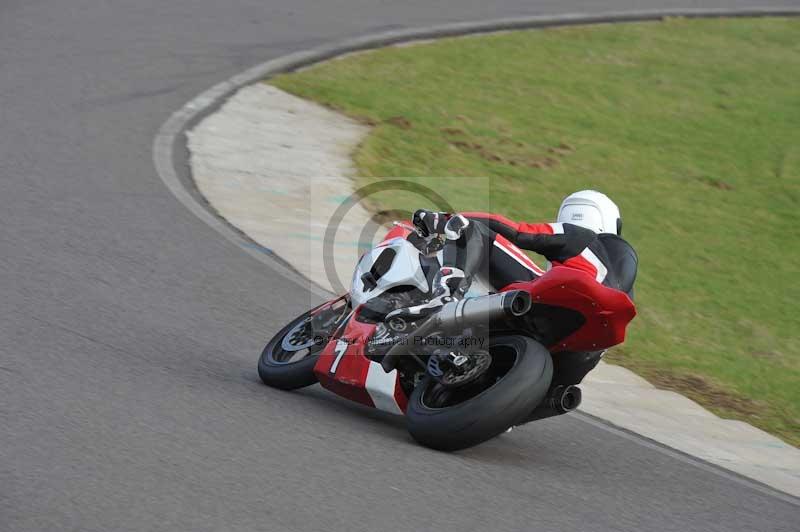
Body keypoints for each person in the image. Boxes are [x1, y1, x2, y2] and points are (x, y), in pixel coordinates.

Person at [386, 190, 637, 322]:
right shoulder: (625, 277)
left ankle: (444, 298)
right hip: (580, 347)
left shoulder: (581, 236)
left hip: (557, 297)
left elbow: (519, 233)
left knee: (469, 229)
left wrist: (447, 219)